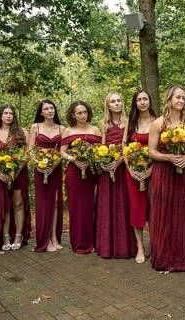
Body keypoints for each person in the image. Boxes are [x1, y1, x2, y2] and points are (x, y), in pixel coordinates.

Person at [148, 85, 185, 271]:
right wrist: (169, 157)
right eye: (178, 97)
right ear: (169, 99)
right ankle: (165, 258)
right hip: (163, 172)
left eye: (183, 98)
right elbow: (151, 151)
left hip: (184, 171)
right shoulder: (158, 124)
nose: (181, 101)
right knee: (164, 213)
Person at [96, 92, 136, 258]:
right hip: (108, 170)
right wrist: (106, 162)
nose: (117, 103)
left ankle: (125, 247)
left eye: (119, 100)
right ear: (108, 106)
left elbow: (128, 146)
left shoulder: (128, 122)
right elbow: (103, 147)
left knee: (124, 204)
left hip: (123, 167)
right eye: (113, 101)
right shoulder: (104, 124)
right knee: (107, 205)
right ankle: (107, 247)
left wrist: (119, 161)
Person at [0, 104, 31, 251]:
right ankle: (5, 237)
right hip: (0, 175)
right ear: (0, 115)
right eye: (5, 113)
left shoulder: (22, 132)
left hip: (19, 173)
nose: (8, 116)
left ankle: (18, 236)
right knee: (4, 205)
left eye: (11, 113)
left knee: (18, 204)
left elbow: (27, 152)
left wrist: (16, 170)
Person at [60, 101, 101, 254]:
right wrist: (74, 160)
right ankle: (79, 243)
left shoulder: (95, 130)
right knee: (76, 208)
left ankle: (94, 242)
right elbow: (62, 152)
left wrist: (90, 159)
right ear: (73, 114)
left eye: (85, 112)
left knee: (92, 207)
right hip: (74, 173)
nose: (83, 115)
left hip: (91, 172)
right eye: (79, 113)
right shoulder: (68, 131)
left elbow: (100, 150)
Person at [123, 90, 157, 264]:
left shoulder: (157, 121)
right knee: (137, 210)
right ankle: (140, 248)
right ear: (135, 103)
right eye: (139, 99)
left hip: (153, 172)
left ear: (149, 101)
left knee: (153, 209)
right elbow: (124, 145)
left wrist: (151, 169)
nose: (142, 102)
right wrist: (130, 169)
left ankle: (154, 245)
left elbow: (159, 147)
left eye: (145, 99)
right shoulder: (131, 121)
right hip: (133, 174)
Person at [29, 99, 65, 252]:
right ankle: (45, 239)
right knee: (44, 204)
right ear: (41, 112)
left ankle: (55, 237)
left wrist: (53, 164)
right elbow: (30, 149)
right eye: (46, 109)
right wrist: (39, 164)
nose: (50, 111)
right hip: (40, 169)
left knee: (56, 202)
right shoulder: (35, 127)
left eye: (52, 108)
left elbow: (63, 151)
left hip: (55, 169)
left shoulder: (62, 128)